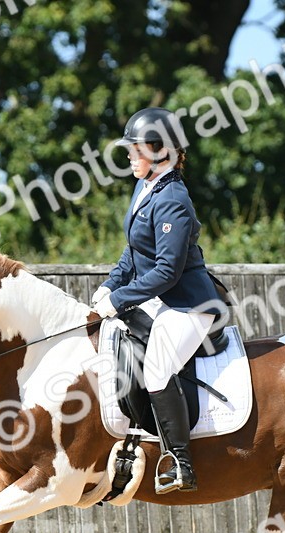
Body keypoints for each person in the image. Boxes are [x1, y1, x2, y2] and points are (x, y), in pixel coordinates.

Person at [91, 106, 224, 494]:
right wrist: (109, 286)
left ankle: (181, 462)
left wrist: (119, 301)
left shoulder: (174, 200)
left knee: (156, 370)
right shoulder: (145, 187)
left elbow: (167, 270)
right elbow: (133, 253)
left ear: (160, 151)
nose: (130, 156)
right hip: (160, 300)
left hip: (188, 305)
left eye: (136, 149)